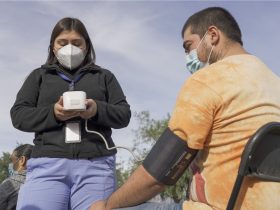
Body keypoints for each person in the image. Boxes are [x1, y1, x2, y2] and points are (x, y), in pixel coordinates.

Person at [91, 7, 280, 210]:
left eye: (188, 46)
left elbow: (158, 175)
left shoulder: (208, 80)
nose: (188, 55)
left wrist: (107, 205)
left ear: (213, 35)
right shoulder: (273, 82)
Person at [10, 17, 131, 210]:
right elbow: (18, 115)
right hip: (47, 166)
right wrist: (53, 113)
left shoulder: (104, 76)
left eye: (76, 43)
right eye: (62, 42)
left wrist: (97, 109)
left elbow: (124, 115)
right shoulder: (38, 77)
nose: (70, 47)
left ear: (86, 46)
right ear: (53, 47)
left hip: (96, 166)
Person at [0, 144, 33, 210]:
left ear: (22, 160)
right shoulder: (45, 182)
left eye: (12, 160)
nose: (10, 165)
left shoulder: (9, 184)